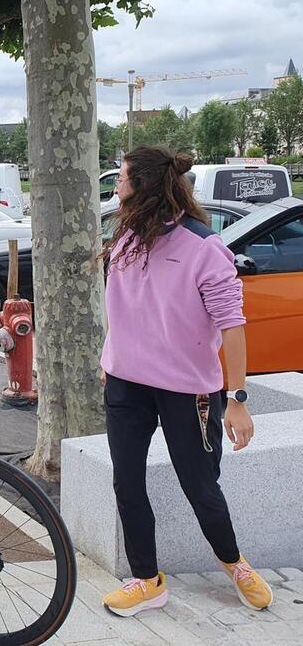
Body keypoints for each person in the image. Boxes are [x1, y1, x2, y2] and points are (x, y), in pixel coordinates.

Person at [100, 146, 272, 617]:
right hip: (125, 384)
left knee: (200, 484)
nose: (116, 185)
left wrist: (237, 398)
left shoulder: (204, 248)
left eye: (123, 178)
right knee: (126, 481)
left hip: (188, 389)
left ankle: (233, 562)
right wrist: (110, 356)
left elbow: (232, 325)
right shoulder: (126, 237)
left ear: (147, 186)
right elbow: (125, 303)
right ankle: (146, 580)